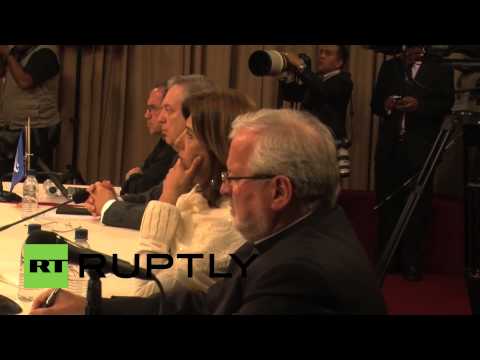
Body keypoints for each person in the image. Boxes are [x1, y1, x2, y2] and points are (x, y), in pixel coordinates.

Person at [30, 109, 386, 315]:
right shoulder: (286, 235)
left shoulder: (297, 275)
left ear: (279, 191)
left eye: (235, 177)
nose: (227, 187)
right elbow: (202, 306)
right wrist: (91, 308)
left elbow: (165, 287)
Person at [134, 89, 257, 296]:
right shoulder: (199, 196)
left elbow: (144, 292)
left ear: (216, 147)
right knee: (60, 258)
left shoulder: (225, 229)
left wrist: (167, 197)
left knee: (64, 294)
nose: (179, 142)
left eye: (190, 135)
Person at [84, 75, 216, 230]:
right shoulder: (179, 158)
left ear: (195, 114)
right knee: (55, 246)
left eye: (168, 110)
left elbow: (159, 220)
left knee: (59, 251)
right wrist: (110, 199)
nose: (160, 118)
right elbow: (151, 198)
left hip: (155, 254)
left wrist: (108, 206)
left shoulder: (205, 170)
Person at [371, 45, 455, 281]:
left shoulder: (441, 66)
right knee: (387, 203)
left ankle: (412, 263)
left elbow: (446, 103)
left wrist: (419, 106)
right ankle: (388, 261)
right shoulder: (390, 66)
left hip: (421, 149)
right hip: (389, 148)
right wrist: (386, 105)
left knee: (417, 208)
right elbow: (375, 103)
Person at [0, 45, 61, 175]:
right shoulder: (19, 54)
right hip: (14, 127)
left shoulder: (46, 53)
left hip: (37, 130)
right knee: (10, 175)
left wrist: (8, 54)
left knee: (31, 178)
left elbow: (25, 82)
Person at [280, 45, 353, 145]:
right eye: (321, 52)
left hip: (329, 141)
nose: (322, 56)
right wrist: (287, 72)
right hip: (309, 138)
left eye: (328, 53)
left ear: (339, 62)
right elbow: (291, 95)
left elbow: (322, 89)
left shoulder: (343, 81)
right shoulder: (317, 80)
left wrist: (300, 66)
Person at [121, 84, 176, 195]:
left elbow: (141, 188)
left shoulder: (174, 148)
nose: (146, 115)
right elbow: (140, 180)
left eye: (152, 108)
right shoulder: (163, 143)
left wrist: (132, 176)